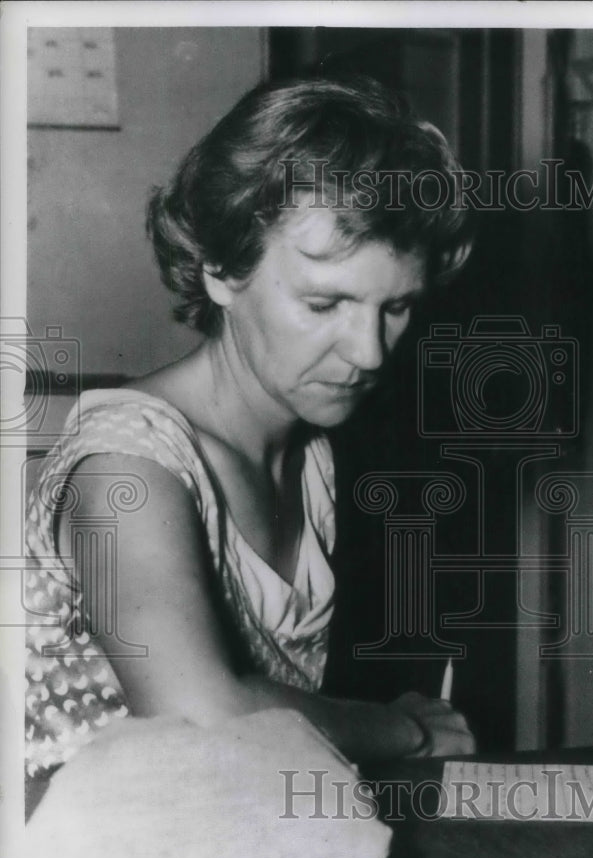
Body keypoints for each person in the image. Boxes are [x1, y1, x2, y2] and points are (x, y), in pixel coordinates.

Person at [25, 75, 476, 779]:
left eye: (396, 307)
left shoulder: (315, 453)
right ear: (220, 270)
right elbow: (199, 713)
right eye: (326, 304)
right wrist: (403, 730)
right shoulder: (127, 467)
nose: (369, 352)